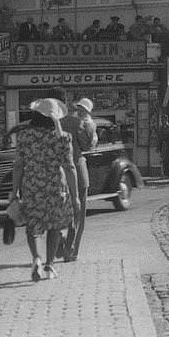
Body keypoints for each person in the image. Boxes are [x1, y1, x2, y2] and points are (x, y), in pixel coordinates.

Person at [11, 98, 80, 281]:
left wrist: (14, 191)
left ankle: (36, 258)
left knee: (33, 226)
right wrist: (76, 197)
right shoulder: (63, 138)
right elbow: (70, 167)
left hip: (32, 187)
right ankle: (49, 265)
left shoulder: (25, 137)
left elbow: (18, 166)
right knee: (54, 227)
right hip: (56, 187)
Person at [62, 97, 97, 261]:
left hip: (58, 173)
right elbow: (88, 145)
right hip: (77, 169)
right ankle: (71, 250)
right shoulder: (81, 124)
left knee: (61, 211)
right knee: (78, 215)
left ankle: (60, 245)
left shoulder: (58, 122)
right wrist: (91, 128)